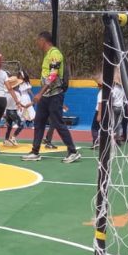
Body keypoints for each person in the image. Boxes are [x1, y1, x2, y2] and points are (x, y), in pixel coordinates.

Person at [21, 31, 80, 163]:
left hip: (54, 95)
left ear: (44, 41)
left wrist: (39, 93)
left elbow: (53, 76)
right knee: (39, 122)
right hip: (46, 95)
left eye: (38, 40)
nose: (37, 43)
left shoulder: (55, 54)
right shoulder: (48, 55)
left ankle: (73, 151)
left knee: (58, 122)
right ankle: (35, 152)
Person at [3, 76, 24, 146]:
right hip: (13, 112)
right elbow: (18, 102)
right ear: (16, 86)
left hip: (7, 111)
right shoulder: (17, 94)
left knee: (9, 127)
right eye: (18, 85)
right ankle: (13, 137)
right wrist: (20, 106)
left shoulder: (5, 93)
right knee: (21, 125)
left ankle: (6, 140)